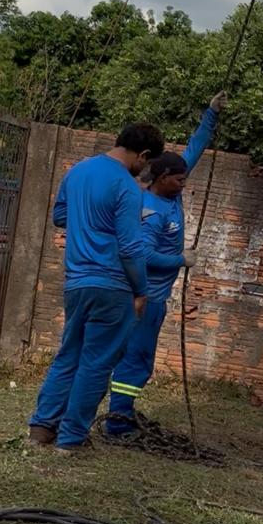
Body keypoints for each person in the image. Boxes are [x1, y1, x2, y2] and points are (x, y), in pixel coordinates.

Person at [28, 121, 165, 455]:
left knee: (68, 355)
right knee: (97, 363)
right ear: (143, 154)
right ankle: (71, 440)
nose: (143, 169)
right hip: (113, 286)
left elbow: (60, 216)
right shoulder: (128, 188)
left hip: (76, 283)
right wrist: (141, 290)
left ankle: (41, 429)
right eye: (146, 163)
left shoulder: (78, 171)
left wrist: (89, 219)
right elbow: (132, 249)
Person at [104, 92, 226, 435]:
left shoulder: (170, 190)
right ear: (161, 178)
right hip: (143, 298)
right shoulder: (150, 212)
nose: (185, 183)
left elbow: (193, 151)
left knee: (135, 359)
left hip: (155, 298)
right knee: (136, 360)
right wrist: (180, 259)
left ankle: (119, 415)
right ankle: (117, 424)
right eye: (180, 180)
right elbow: (140, 256)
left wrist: (211, 114)